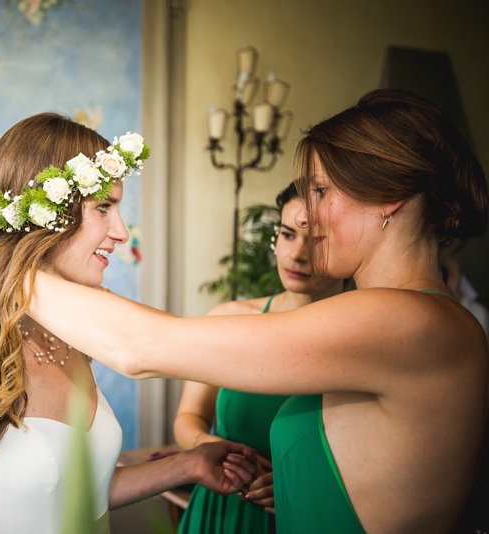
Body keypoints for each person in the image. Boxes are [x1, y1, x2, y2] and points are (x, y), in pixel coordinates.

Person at [27, 89, 489, 533]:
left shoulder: (409, 321)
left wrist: (4, 270)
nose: (307, 216)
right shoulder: (406, 316)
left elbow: (138, 348)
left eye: (323, 191)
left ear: (390, 194)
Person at [0, 112, 255, 534]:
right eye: (103, 207)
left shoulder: (72, 335)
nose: (121, 232)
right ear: (47, 215)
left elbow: (76, 492)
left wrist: (187, 465)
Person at [174, 181, 346, 534]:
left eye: (317, 241)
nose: (297, 255)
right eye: (287, 235)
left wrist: (294, 481)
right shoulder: (229, 319)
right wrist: (217, 449)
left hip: (311, 515)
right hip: (224, 505)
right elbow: (188, 418)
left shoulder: (359, 339)